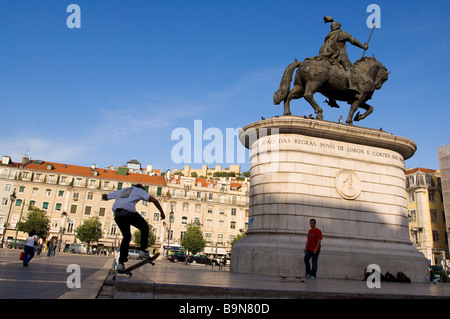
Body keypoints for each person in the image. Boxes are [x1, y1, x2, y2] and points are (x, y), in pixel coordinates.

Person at [102, 184, 165, 272]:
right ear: (142, 189)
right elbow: (154, 200)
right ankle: (142, 250)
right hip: (129, 213)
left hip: (118, 215)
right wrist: (162, 213)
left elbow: (105, 196)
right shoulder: (139, 191)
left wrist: (104, 195)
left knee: (126, 237)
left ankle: (120, 263)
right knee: (145, 227)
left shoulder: (123, 190)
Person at [317, 16, 368, 94]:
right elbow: (353, 41)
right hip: (340, 55)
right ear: (338, 27)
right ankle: (351, 85)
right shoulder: (342, 33)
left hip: (329, 56)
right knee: (348, 69)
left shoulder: (328, 36)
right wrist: (363, 46)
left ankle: (331, 99)